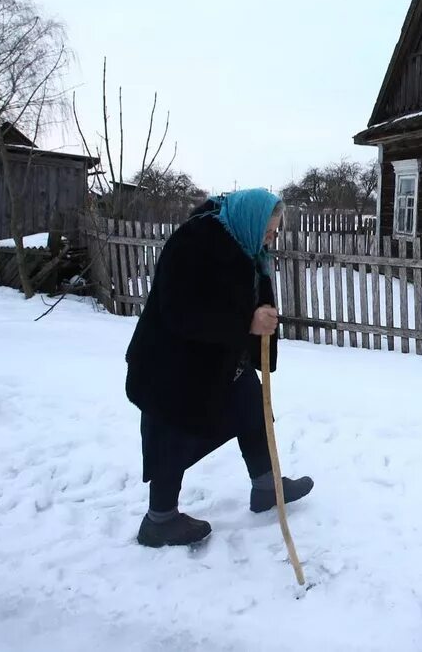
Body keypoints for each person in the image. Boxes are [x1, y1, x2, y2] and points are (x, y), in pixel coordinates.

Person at [125, 188, 313, 547]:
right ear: (250, 221)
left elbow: (249, 296)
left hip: (218, 359)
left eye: (274, 232)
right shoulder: (193, 243)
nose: (271, 239)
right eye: (268, 231)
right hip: (171, 366)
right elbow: (181, 311)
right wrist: (246, 323)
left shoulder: (248, 247)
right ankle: (159, 521)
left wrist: (260, 319)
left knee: (252, 406)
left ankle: (266, 487)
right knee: (172, 433)